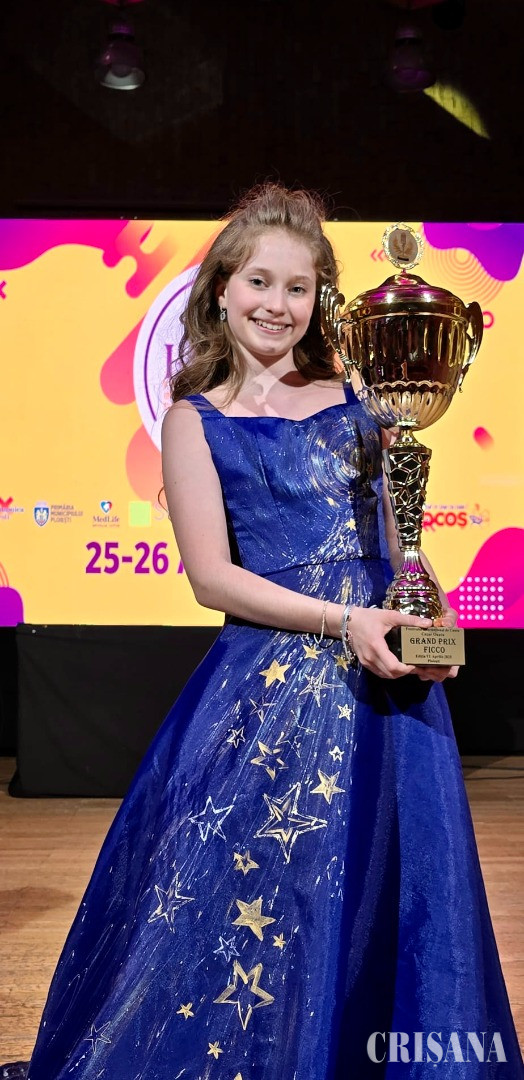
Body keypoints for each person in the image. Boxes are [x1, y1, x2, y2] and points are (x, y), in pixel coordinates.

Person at [2, 184, 522, 1079]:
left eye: (299, 287)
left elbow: (399, 544)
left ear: (321, 299)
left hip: (386, 697)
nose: (278, 305)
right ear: (221, 290)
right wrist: (346, 620)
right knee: (267, 913)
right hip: (272, 699)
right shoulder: (194, 420)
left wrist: (426, 606)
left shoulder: (363, 401)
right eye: (260, 282)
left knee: (396, 898)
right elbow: (212, 576)